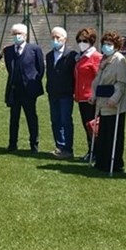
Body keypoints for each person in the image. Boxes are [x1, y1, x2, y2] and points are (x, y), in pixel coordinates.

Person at [2, 23, 45, 153]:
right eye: (14, 34)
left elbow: (41, 69)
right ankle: (12, 144)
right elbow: (10, 68)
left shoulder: (34, 49)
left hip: (29, 90)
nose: (17, 36)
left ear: (25, 35)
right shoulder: (8, 51)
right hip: (14, 90)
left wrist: (33, 82)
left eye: (19, 34)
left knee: (31, 117)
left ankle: (34, 144)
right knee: (13, 118)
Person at [89, 31, 126, 174]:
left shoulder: (119, 60)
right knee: (102, 134)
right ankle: (102, 161)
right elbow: (97, 81)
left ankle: (116, 163)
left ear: (116, 46)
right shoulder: (103, 59)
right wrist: (93, 95)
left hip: (114, 105)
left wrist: (114, 98)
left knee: (114, 134)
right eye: (104, 44)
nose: (106, 47)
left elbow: (122, 83)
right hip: (102, 103)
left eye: (109, 44)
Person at [45, 26, 78, 159]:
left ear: (65, 39)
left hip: (66, 93)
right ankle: (59, 146)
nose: (55, 40)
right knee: (55, 120)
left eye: (58, 37)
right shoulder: (48, 56)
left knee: (65, 120)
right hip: (53, 93)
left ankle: (68, 149)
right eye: (53, 37)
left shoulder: (72, 55)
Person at [73, 27, 102, 161]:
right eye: (79, 40)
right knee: (87, 126)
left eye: (84, 40)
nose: (81, 43)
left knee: (93, 126)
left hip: (91, 98)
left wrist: (95, 95)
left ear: (91, 41)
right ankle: (91, 150)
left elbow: (99, 77)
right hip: (81, 98)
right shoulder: (81, 56)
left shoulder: (95, 57)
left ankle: (96, 152)